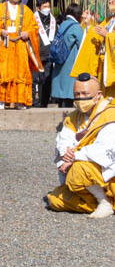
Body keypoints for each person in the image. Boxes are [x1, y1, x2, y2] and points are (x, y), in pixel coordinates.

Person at [47, 73, 115, 218]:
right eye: (76, 94)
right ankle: (95, 203)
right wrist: (66, 153)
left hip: (107, 177)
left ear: (98, 95)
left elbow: (105, 149)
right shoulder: (74, 116)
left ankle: (105, 201)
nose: (80, 98)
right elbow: (64, 138)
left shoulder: (110, 115)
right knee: (54, 200)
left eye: (85, 94)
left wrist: (74, 156)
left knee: (78, 168)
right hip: (82, 170)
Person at [0, 0, 42, 109]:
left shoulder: (26, 10)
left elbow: (34, 28)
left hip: (21, 46)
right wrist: (0, 31)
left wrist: (28, 33)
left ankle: (20, 101)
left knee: (21, 73)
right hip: (5, 47)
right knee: (3, 73)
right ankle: (1, 101)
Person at [70, 0, 115, 99]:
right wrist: (89, 24)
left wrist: (108, 35)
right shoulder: (109, 20)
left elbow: (105, 34)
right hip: (104, 64)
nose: (110, 1)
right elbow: (97, 36)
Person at [50, 3, 84, 107]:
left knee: (61, 93)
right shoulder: (76, 27)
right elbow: (82, 45)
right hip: (70, 63)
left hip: (59, 61)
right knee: (69, 94)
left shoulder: (62, 24)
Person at [32, 0, 56, 107]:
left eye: (48, 6)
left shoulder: (53, 20)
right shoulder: (33, 19)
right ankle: (32, 101)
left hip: (48, 54)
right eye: (44, 6)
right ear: (38, 8)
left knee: (46, 80)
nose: (47, 8)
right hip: (35, 54)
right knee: (33, 80)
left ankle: (44, 102)